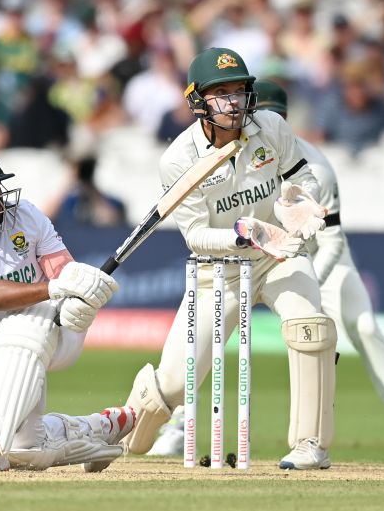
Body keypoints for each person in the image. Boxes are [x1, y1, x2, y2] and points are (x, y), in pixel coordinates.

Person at [148, 80, 384, 464]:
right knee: (190, 356)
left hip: (318, 256)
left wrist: (307, 293)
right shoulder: (188, 155)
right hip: (242, 254)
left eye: (260, 110)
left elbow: (332, 239)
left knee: (352, 328)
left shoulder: (314, 164)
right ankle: (173, 425)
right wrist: (254, 240)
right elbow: (200, 233)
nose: (246, 115)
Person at [115, 47, 338, 470]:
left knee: (311, 328)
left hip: (281, 256)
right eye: (222, 93)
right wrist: (246, 235)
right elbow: (197, 236)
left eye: (239, 90)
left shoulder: (270, 126)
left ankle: (312, 445)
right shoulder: (179, 159)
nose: (234, 101)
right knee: (176, 384)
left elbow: (301, 174)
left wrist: (301, 200)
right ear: (197, 99)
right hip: (217, 271)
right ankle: (125, 430)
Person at [0, 147, 135, 472]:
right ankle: (100, 429)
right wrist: (55, 288)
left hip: (53, 326)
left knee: (22, 321)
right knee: (29, 448)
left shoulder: (24, 214)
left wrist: (78, 298)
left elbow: (62, 269)